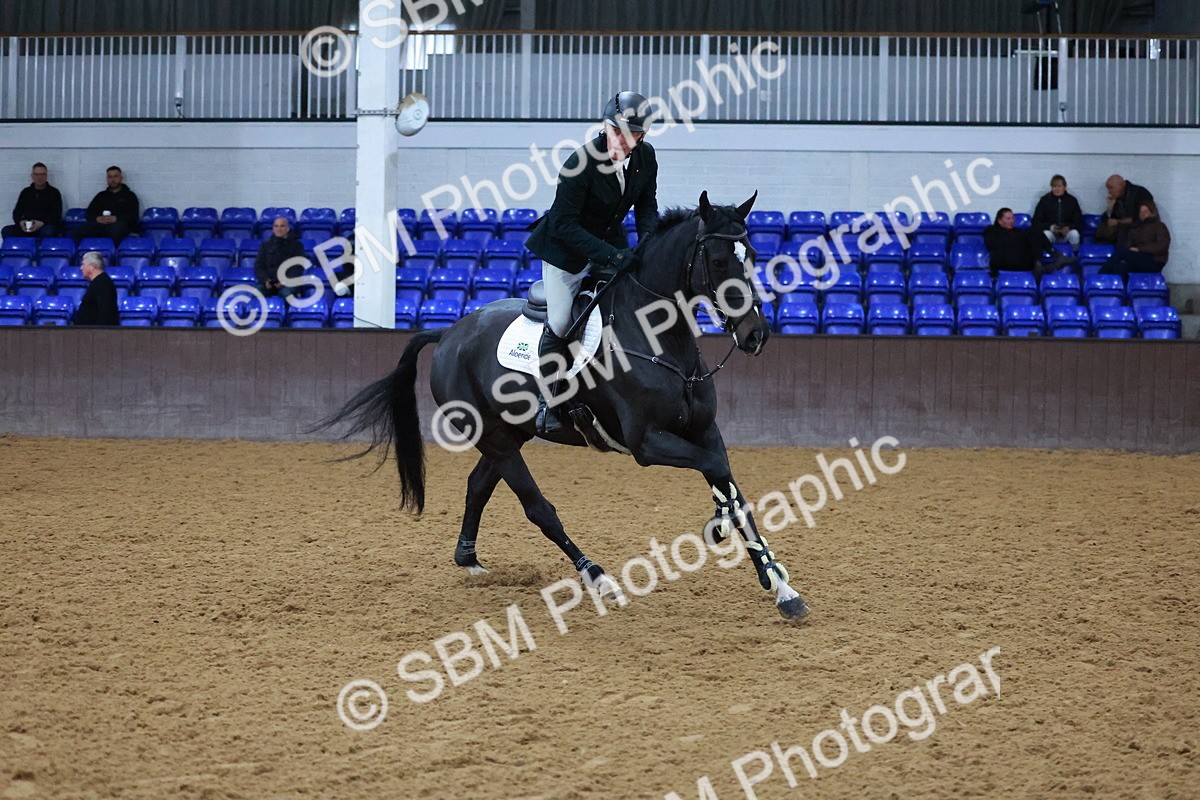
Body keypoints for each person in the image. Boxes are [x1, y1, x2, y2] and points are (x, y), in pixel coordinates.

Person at [525, 90, 659, 436]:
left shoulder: (646, 158)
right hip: (566, 252)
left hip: (609, 242)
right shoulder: (579, 164)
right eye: (617, 132)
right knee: (560, 322)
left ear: (642, 136)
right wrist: (614, 256)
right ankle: (547, 402)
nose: (622, 142)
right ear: (605, 126)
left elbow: (646, 207)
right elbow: (563, 225)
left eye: (632, 135)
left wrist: (647, 244)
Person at [1100, 200, 1170, 279]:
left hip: (1155, 260)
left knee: (1121, 253)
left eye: (1145, 212)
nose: (1143, 214)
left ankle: (1101, 276)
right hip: (1138, 258)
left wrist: (1139, 249)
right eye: (1141, 212)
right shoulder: (1136, 227)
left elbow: (1162, 247)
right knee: (1121, 267)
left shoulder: (1160, 226)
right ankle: (1114, 285)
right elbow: (1128, 244)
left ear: (1152, 213)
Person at [983, 207, 1059, 278]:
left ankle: (1041, 262)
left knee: (1036, 232)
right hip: (1003, 262)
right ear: (999, 221)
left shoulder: (1017, 231)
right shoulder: (991, 231)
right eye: (1008, 219)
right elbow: (995, 246)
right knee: (1032, 232)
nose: (1012, 221)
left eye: (1013, 218)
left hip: (1020, 261)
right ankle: (1053, 257)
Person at [72, 166, 140, 245]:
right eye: (110, 177)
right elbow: (90, 212)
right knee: (78, 231)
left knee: (117, 230)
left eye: (115, 176)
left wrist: (116, 218)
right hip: (101, 225)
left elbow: (133, 215)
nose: (112, 180)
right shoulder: (101, 196)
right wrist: (97, 218)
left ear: (121, 178)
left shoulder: (130, 196)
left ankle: (111, 251)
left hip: (120, 225)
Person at [2, 162, 63, 239]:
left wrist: (41, 223)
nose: (39, 177)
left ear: (46, 176)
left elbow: (56, 215)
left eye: (42, 174)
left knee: (47, 231)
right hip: (28, 226)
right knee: (6, 230)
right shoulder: (25, 192)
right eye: (36, 174)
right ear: (32, 176)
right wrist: (21, 222)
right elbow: (17, 212)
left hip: (45, 225)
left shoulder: (54, 193)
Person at [254, 216, 307, 298]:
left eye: (282, 226)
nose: (279, 229)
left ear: (287, 229)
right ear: (273, 229)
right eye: (276, 226)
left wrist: (284, 282)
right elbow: (259, 266)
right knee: (257, 291)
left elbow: (297, 267)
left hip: (289, 282)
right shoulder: (265, 245)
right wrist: (266, 280)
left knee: (285, 293)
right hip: (270, 283)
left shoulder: (297, 245)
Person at [1097, 174, 1153, 249]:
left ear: (1122, 185)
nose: (1109, 192)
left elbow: (1141, 218)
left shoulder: (1140, 193)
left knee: (1123, 234)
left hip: (1140, 229)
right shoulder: (1116, 199)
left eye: (1111, 188)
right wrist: (1110, 209)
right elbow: (1106, 220)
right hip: (1122, 230)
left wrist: (1119, 222)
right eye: (1108, 189)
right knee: (1101, 230)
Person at [1031, 174, 1083, 248]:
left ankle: (1075, 254)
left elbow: (1079, 221)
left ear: (1064, 187)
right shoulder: (1044, 200)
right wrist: (1050, 227)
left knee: (1075, 234)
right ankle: (1046, 254)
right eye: (1054, 186)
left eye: (1059, 186)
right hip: (1051, 232)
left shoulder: (1072, 201)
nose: (1057, 189)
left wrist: (1069, 227)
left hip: (1067, 233)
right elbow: (1036, 221)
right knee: (1045, 235)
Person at [73, 251, 120, 326]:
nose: (81, 268)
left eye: (83, 264)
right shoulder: (99, 282)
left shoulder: (102, 284)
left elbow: (106, 312)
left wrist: (98, 331)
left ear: (92, 266)